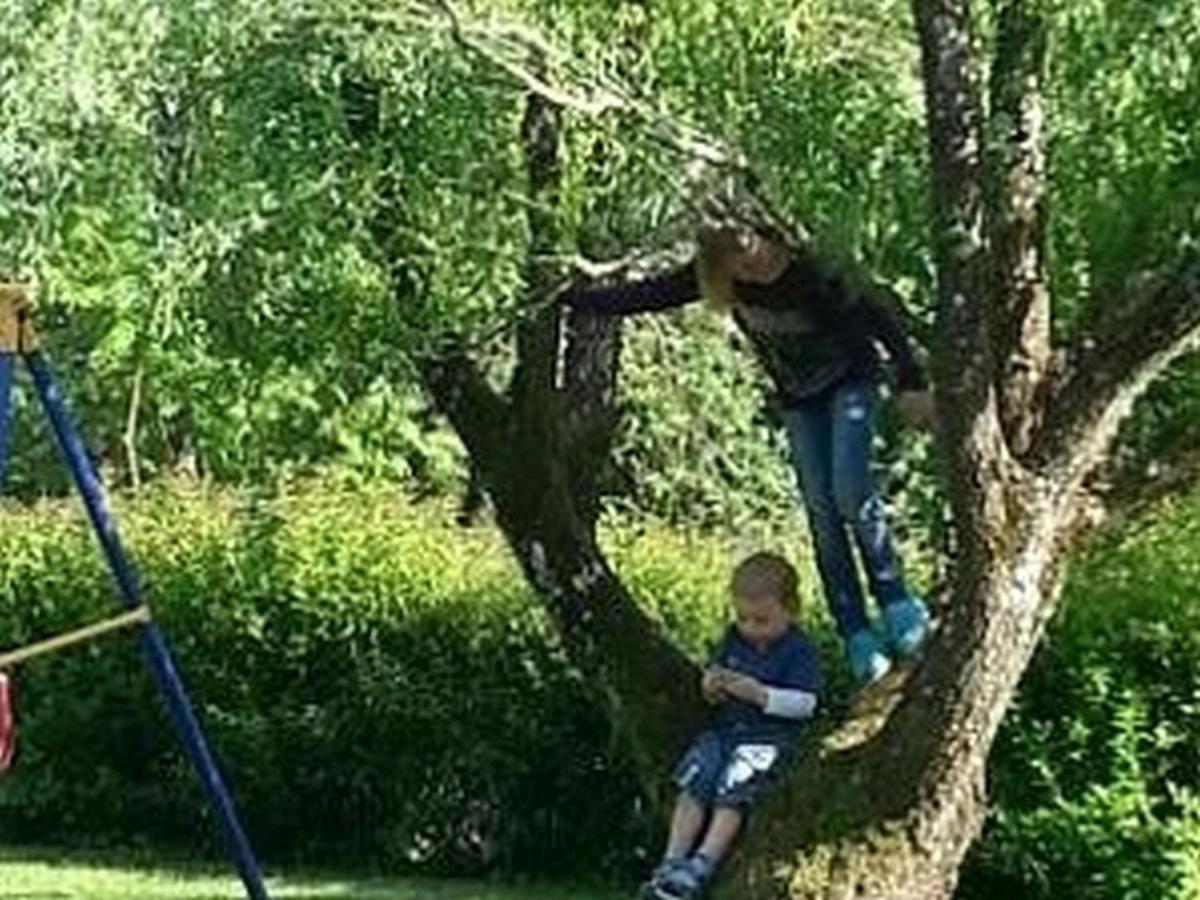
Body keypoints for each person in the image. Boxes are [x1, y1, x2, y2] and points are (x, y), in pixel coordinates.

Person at [563, 222, 933, 684]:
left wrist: (912, 380)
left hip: (851, 381)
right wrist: (566, 296)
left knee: (850, 491)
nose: (750, 267)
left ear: (767, 236)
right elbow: (645, 295)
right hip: (800, 400)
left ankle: (898, 605)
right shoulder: (719, 278)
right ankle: (856, 633)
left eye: (752, 252)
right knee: (821, 512)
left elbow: (877, 316)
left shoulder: (810, 270)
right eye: (734, 262)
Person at [640, 551, 821, 900]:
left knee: (735, 784)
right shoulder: (734, 639)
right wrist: (712, 686)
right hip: (725, 733)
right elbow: (715, 675)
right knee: (696, 778)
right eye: (744, 619)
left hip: (768, 739)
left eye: (762, 620)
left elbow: (806, 704)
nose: (752, 629)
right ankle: (672, 861)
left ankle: (703, 863)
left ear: (790, 610)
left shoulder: (799, 650)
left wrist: (762, 696)